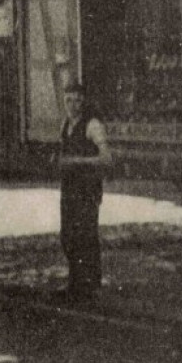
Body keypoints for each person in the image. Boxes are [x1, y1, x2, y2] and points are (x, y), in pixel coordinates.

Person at [57, 82, 112, 301]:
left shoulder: (93, 125)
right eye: (68, 100)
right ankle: (75, 281)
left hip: (87, 187)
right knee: (68, 234)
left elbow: (107, 158)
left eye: (78, 100)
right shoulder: (65, 125)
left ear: (84, 101)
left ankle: (91, 283)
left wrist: (77, 162)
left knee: (86, 233)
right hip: (69, 186)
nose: (73, 105)